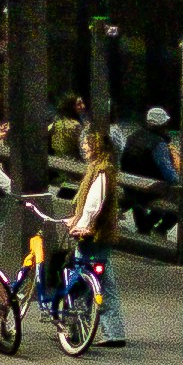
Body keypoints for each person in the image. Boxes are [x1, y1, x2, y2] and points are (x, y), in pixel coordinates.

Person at [60, 125, 129, 351]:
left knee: (81, 282)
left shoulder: (100, 171)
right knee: (105, 282)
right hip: (101, 235)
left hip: (93, 235)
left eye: (88, 144)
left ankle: (75, 328)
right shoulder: (104, 168)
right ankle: (114, 331)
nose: (84, 147)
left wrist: (83, 225)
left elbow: (93, 204)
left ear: (97, 147)